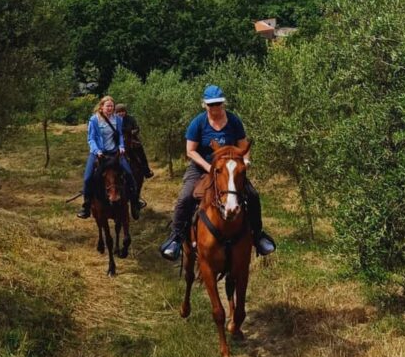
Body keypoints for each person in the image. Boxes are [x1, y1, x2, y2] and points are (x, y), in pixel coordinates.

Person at [159, 85, 276, 261]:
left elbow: (243, 146)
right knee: (185, 197)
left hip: (229, 169)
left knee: (252, 195)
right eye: (211, 105)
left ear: (224, 103)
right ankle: (176, 237)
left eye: (218, 104)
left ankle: (258, 236)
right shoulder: (198, 123)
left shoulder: (234, 121)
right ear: (204, 105)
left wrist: (245, 161)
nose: (215, 108)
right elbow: (190, 151)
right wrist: (209, 167)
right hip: (201, 168)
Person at [77, 96, 141, 220]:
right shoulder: (94, 120)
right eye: (107, 106)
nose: (110, 108)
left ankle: (135, 202)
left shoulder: (117, 119)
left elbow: (120, 135)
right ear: (101, 107)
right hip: (99, 153)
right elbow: (91, 138)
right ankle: (86, 206)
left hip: (114, 153)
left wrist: (121, 146)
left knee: (129, 173)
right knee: (88, 178)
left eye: (112, 106)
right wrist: (97, 150)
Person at [114, 104, 154, 179]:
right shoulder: (113, 120)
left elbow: (136, 128)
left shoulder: (130, 118)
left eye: (122, 111)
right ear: (115, 113)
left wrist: (133, 131)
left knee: (141, 152)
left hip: (131, 139)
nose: (121, 113)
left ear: (125, 112)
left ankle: (146, 171)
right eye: (119, 112)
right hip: (118, 140)